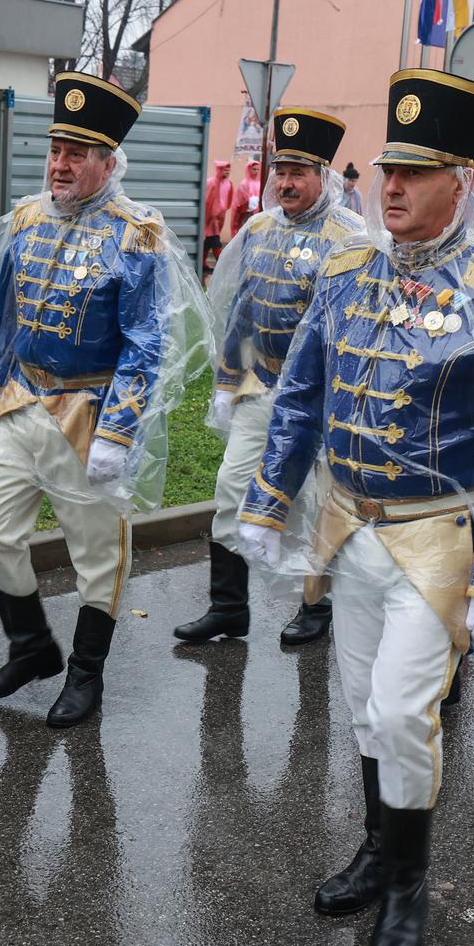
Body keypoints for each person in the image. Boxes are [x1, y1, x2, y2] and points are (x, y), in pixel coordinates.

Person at [234, 70, 474, 946]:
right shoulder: (346, 271)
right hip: (350, 530)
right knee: (360, 710)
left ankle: (411, 885)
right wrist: (268, 502)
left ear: (464, 181)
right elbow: (301, 393)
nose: (390, 187)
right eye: (387, 169)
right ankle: (379, 847)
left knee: (401, 710)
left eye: (416, 174)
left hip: (438, 537)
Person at [0, 71, 210, 729]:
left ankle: (85, 674)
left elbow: (147, 344)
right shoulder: (26, 220)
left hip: (90, 416)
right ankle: (31, 646)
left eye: (77, 154)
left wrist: (120, 433)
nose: (60, 165)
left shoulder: (137, 236)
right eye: (55, 151)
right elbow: (3, 323)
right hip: (21, 401)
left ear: (108, 162)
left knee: (96, 555)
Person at [174, 108, 363, 648]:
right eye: (280, 171)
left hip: (323, 402)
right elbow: (241, 309)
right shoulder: (257, 229)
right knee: (232, 488)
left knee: (318, 502)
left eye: (298, 172)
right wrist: (225, 381)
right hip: (260, 388)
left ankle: (317, 606)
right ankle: (228, 607)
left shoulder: (351, 239)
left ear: (323, 176)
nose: (285, 182)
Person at [203, 160, 234, 279]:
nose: (227, 172)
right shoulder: (211, 182)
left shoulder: (228, 184)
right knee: (214, 240)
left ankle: (204, 262)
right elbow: (206, 200)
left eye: (228, 170)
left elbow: (229, 199)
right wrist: (208, 215)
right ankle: (220, 263)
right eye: (224, 170)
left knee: (210, 239)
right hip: (209, 217)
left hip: (219, 217)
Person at [232, 159, 262, 237]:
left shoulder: (260, 183)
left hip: (258, 218)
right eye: (254, 169)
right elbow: (241, 202)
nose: (256, 171)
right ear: (249, 169)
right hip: (246, 217)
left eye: (258, 169)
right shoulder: (244, 184)